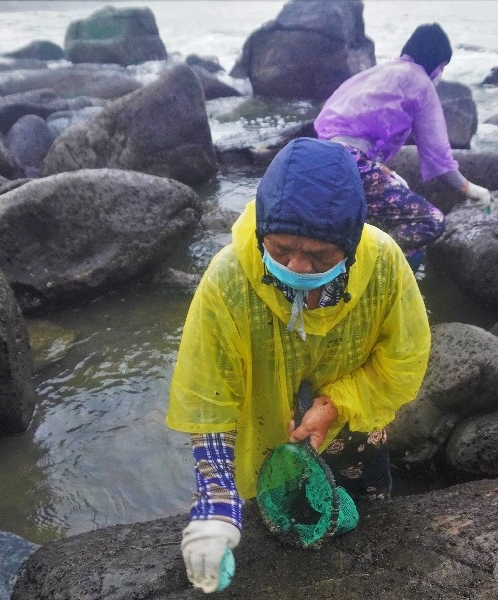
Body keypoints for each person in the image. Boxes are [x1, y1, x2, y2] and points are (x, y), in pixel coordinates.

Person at [167, 138, 431, 593]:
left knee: (372, 525)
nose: (298, 266)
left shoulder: (384, 263)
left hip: (352, 423)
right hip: (272, 433)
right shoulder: (228, 280)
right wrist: (214, 504)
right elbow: (209, 394)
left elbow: (403, 358)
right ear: (261, 232)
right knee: (279, 527)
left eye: (321, 256)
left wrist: (335, 403)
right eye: (282, 247)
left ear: (349, 243)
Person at [314, 22, 492, 270]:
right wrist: (468, 188)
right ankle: (361, 263)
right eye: (442, 67)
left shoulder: (380, 71)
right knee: (432, 221)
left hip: (322, 157)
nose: (440, 73)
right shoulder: (420, 83)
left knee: (384, 202)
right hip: (352, 165)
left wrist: (384, 171)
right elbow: (438, 155)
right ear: (436, 62)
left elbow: (342, 129)